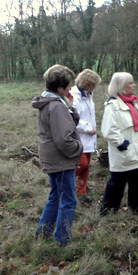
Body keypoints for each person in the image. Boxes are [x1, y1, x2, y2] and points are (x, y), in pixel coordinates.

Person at [32, 65, 84, 245]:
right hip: (61, 159)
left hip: (52, 157)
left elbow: (64, 127)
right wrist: (78, 148)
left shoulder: (50, 103)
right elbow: (63, 139)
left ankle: (43, 232)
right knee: (68, 201)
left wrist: (70, 108)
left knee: (55, 196)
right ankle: (62, 240)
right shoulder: (56, 107)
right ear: (60, 88)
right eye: (68, 86)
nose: (71, 89)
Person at [100, 72, 138, 216]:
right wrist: (122, 144)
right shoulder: (113, 105)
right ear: (122, 87)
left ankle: (136, 210)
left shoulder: (133, 102)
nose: (134, 85)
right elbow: (109, 130)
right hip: (124, 151)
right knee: (117, 183)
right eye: (131, 83)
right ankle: (108, 211)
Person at [70, 69, 102, 203]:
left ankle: (81, 192)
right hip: (78, 137)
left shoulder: (88, 95)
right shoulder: (73, 96)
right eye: (92, 84)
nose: (94, 87)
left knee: (86, 166)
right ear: (85, 83)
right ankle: (67, 186)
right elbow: (73, 118)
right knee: (81, 164)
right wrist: (88, 128)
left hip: (89, 138)